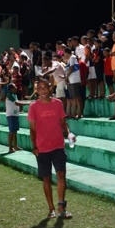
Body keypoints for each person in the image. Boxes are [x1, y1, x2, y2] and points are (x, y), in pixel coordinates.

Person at [28, 77, 73, 219]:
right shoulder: (33, 107)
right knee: (46, 179)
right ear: (36, 90)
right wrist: (34, 146)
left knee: (61, 175)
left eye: (45, 87)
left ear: (50, 89)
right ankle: (51, 209)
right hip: (42, 149)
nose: (43, 90)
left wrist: (69, 134)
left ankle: (61, 206)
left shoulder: (58, 103)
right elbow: (32, 129)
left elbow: (63, 123)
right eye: (40, 88)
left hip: (58, 146)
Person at [5, 83, 21, 153]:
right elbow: (17, 103)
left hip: (15, 115)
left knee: (15, 132)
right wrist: (28, 103)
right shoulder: (10, 95)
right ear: (11, 88)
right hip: (11, 115)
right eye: (15, 86)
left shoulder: (15, 95)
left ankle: (15, 146)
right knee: (11, 132)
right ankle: (10, 148)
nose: (16, 87)